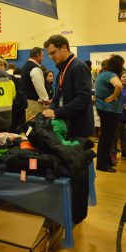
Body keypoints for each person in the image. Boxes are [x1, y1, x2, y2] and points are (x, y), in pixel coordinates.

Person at [42, 34, 94, 223]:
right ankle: (67, 208)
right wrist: (50, 110)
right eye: (49, 54)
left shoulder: (78, 67)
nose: (52, 57)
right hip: (68, 127)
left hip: (78, 128)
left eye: (53, 52)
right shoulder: (62, 70)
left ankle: (76, 214)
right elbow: (58, 97)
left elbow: (83, 99)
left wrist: (56, 113)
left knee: (78, 172)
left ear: (64, 47)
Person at [95, 55, 124, 172]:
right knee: (106, 138)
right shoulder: (110, 75)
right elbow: (119, 85)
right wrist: (113, 96)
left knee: (107, 138)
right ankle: (102, 164)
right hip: (108, 110)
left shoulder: (102, 74)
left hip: (104, 109)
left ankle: (105, 162)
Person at [21, 47, 50, 121]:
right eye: (42, 56)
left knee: (30, 125)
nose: (43, 58)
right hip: (35, 104)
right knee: (36, 127)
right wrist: (46, 100)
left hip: (28, 102)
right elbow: (39, 86)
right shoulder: (35, 68)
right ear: (38, 55)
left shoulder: (25, 66)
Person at [111, 70, 126, 163]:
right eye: (124, 76)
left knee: (125, 136)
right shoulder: (117, 88)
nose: (125, 78)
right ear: (120, 78)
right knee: (115, 137)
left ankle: (124, 153)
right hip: (118, 117)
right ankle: (113, 155)